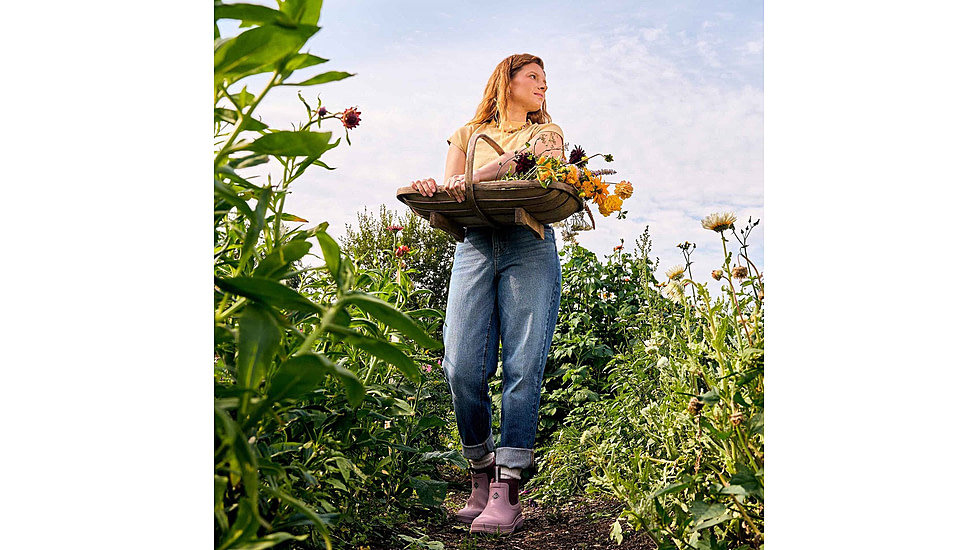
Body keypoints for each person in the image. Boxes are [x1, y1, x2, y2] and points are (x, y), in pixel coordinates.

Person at [409, 53, 564, 535]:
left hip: (529, 243)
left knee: (522, 362)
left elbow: (541, 170)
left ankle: (509, 486)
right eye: (532, 76)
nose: (542, 84)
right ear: (507, 80)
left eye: (545, 79)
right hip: (475, 244)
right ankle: (480, 472)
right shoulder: (466, 135)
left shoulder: (548, 133)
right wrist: (433, 185)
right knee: (460, 364)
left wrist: (476, 176)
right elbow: (452, 189)